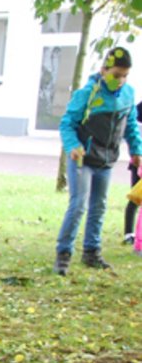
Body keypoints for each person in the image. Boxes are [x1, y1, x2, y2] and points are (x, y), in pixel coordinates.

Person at [56, 46, 142, 275]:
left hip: (106, 159)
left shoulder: (128, 94)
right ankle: (63, 254)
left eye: (124, 75)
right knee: (78, 204)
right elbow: (67, 124)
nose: (120, 80)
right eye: (116, 75)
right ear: (103, 70)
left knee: (99, 206)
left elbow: (131, 125)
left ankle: (91, 252)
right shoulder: (87, 94)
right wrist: (73, 146)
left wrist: (136, 150)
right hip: (83, 159)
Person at [125, 97, 142, 244]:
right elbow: (132, 127)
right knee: (135, 198)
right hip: (139, 163)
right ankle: (129, 233)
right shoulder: (138, 110)